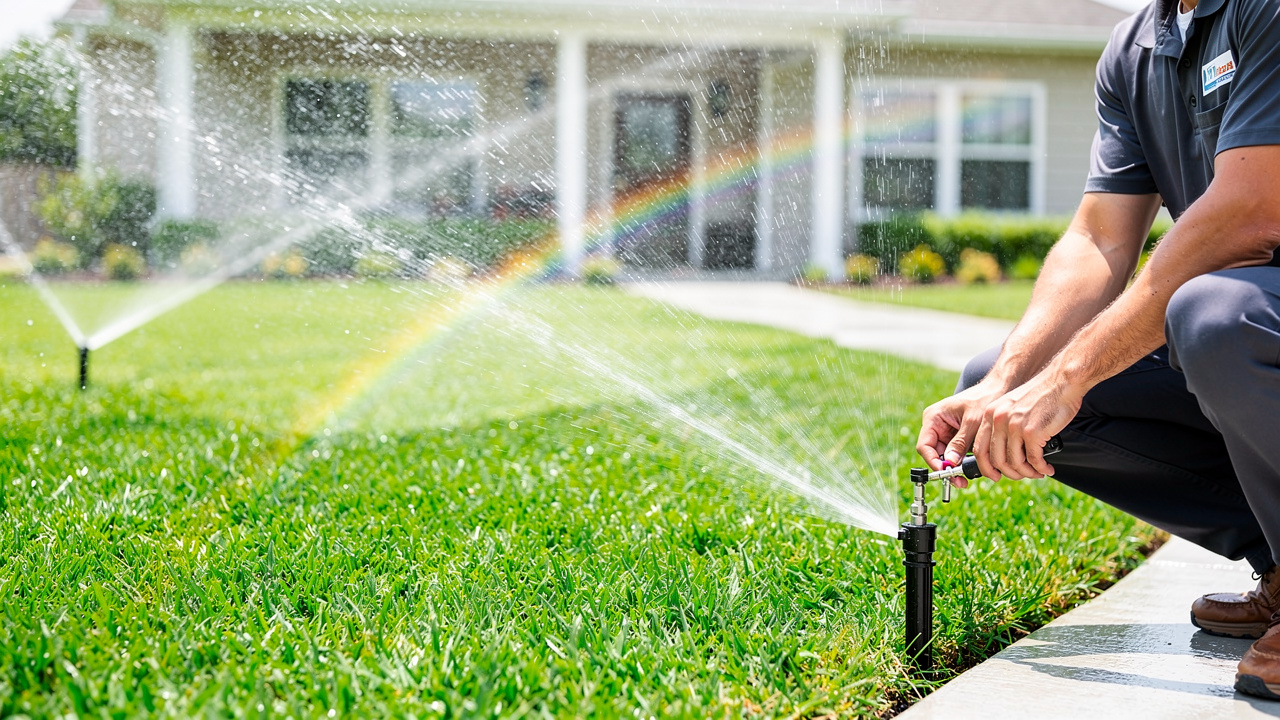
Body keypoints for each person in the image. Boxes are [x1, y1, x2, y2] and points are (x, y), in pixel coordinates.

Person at [915, 0, 1280, 700]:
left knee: (1213, 316)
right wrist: (1018, 380)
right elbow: (1098, 240)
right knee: (997, 382)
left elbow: (1252, 215)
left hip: (1252, 316)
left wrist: (1069, 375)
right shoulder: (1137, 47)